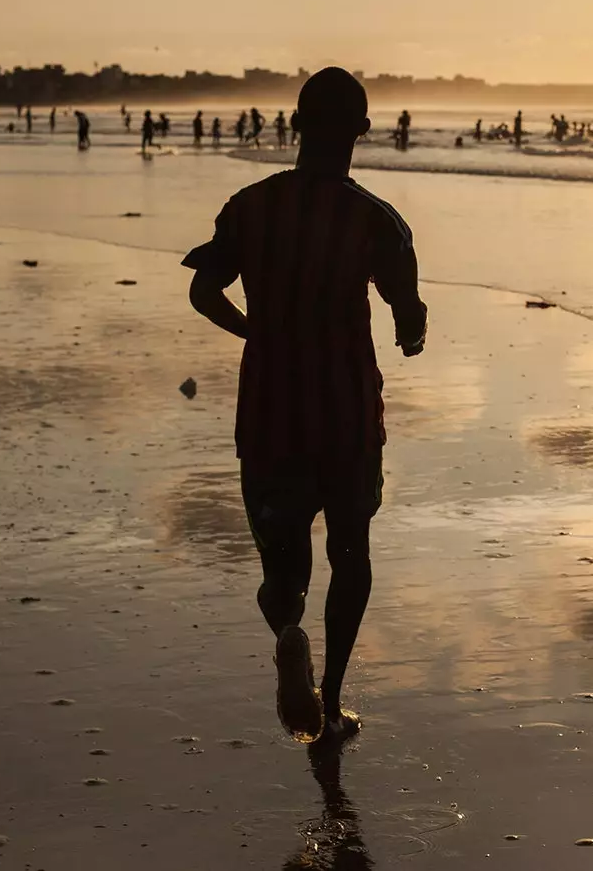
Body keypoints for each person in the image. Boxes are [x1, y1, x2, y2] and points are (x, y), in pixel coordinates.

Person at [183, 67, 427, 747]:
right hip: (346, 418)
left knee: (280, 571)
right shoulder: (375, 221)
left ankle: (290, 634)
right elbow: (408, 314)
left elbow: (204, 292)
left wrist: (254, 330)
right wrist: (412, 335)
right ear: (362, 132)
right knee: (351, 554)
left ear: (293, 126)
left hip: (270, 417)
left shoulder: (249, 207)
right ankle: (335, 701)